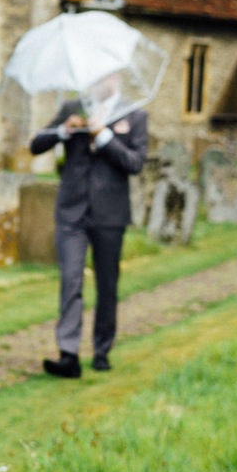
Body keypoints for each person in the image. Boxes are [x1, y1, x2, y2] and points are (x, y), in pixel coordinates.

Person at [29, 72, 148, 377]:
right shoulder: (72, 108)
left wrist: (104, 137)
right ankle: (68, 354)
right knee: (71, 281)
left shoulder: (134, 115)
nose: (98, 80)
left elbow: (135, 163)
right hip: (71, 211)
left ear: (117, 76)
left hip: (110, 213)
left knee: (107, 284)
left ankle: (102, 349)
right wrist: (63, 131)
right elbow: (36, 144)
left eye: (104, 74)